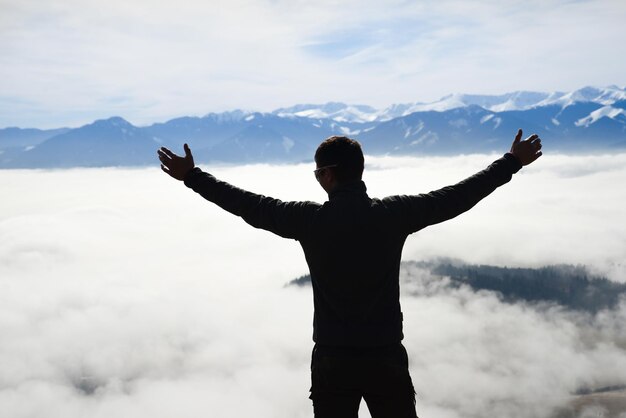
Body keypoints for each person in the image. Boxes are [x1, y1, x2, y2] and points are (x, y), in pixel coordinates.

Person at [157, 130, 542, 418]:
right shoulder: (395, 214)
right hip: (386, 356)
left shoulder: (309, 221)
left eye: (316, 173)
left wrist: (194, 177)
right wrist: (510, 163)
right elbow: (458, 196)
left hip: (332, 361)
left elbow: (250, 205)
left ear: (328, 174)